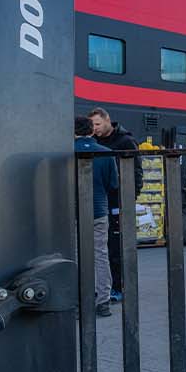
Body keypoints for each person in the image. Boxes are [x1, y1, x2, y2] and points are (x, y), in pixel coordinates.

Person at [88, 108, 136, 303]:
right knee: (102, 249)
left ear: (108, 120)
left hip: (118, 202)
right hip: (102, 203)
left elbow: (136, 173)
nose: (95, 129)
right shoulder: (95, 142)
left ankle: (119, 287)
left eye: (98, 124)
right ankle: (106, 287)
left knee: (115, 248)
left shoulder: (126, 142)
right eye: (92, 126)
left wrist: (129, 199)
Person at [74, 116, 118, 317]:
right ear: (92, 131)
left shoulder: (67, 153)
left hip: (72, 212)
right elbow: (113, 185)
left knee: (74, 256)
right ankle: (103, 302)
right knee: (100, 255)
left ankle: (77, 301)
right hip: (99, 211)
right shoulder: (107, 153)